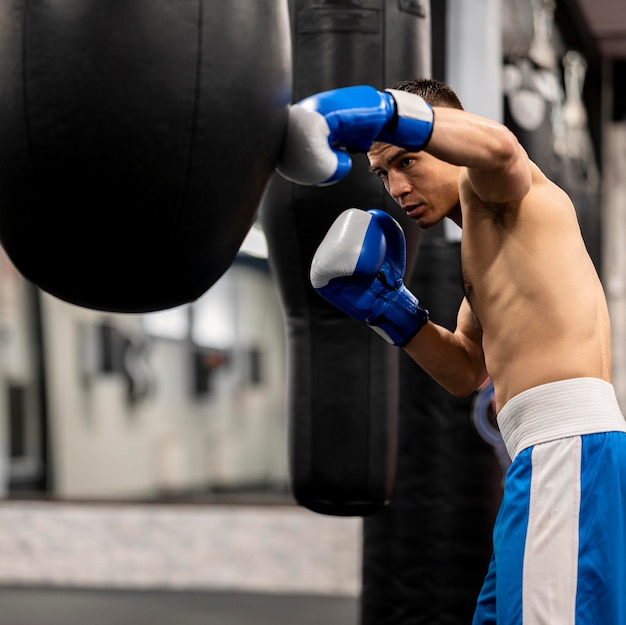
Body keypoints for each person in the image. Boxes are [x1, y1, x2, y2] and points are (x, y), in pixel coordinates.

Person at [276, 78, 626, 624]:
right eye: (384, 174)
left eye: (408, 162)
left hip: (568, 448)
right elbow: (466, 370)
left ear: (447, 140)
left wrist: (390, 112)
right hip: (537, 455)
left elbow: (502, 148)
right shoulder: (480, 250)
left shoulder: (501, 191)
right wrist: (389, 310)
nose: (396, 186)